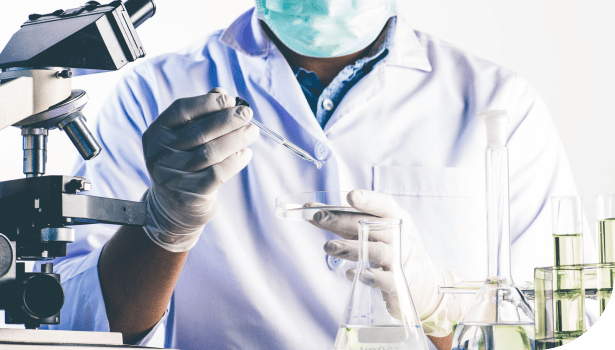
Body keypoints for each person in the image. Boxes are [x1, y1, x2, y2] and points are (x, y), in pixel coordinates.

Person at [45, 0, 588, 349]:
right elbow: (78, 327)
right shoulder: (150, 93)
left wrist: (440, 304)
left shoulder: (498, 103)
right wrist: (163, 224)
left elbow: (572, 327)